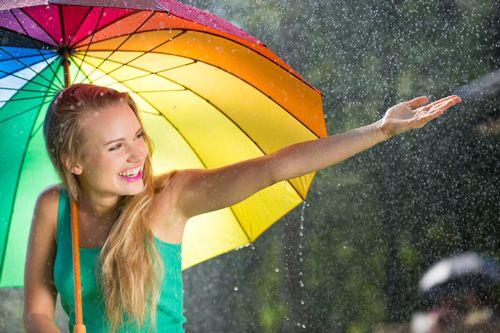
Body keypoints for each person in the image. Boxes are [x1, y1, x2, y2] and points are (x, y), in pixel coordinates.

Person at [22, 83, 462, 332]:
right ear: (73, 162)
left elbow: (275, 167)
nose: (137, 155)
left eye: (138, 136)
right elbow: (38, 312)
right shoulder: (53, 209)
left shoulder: (170, 199)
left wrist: (380, 130)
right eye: (116, 146)